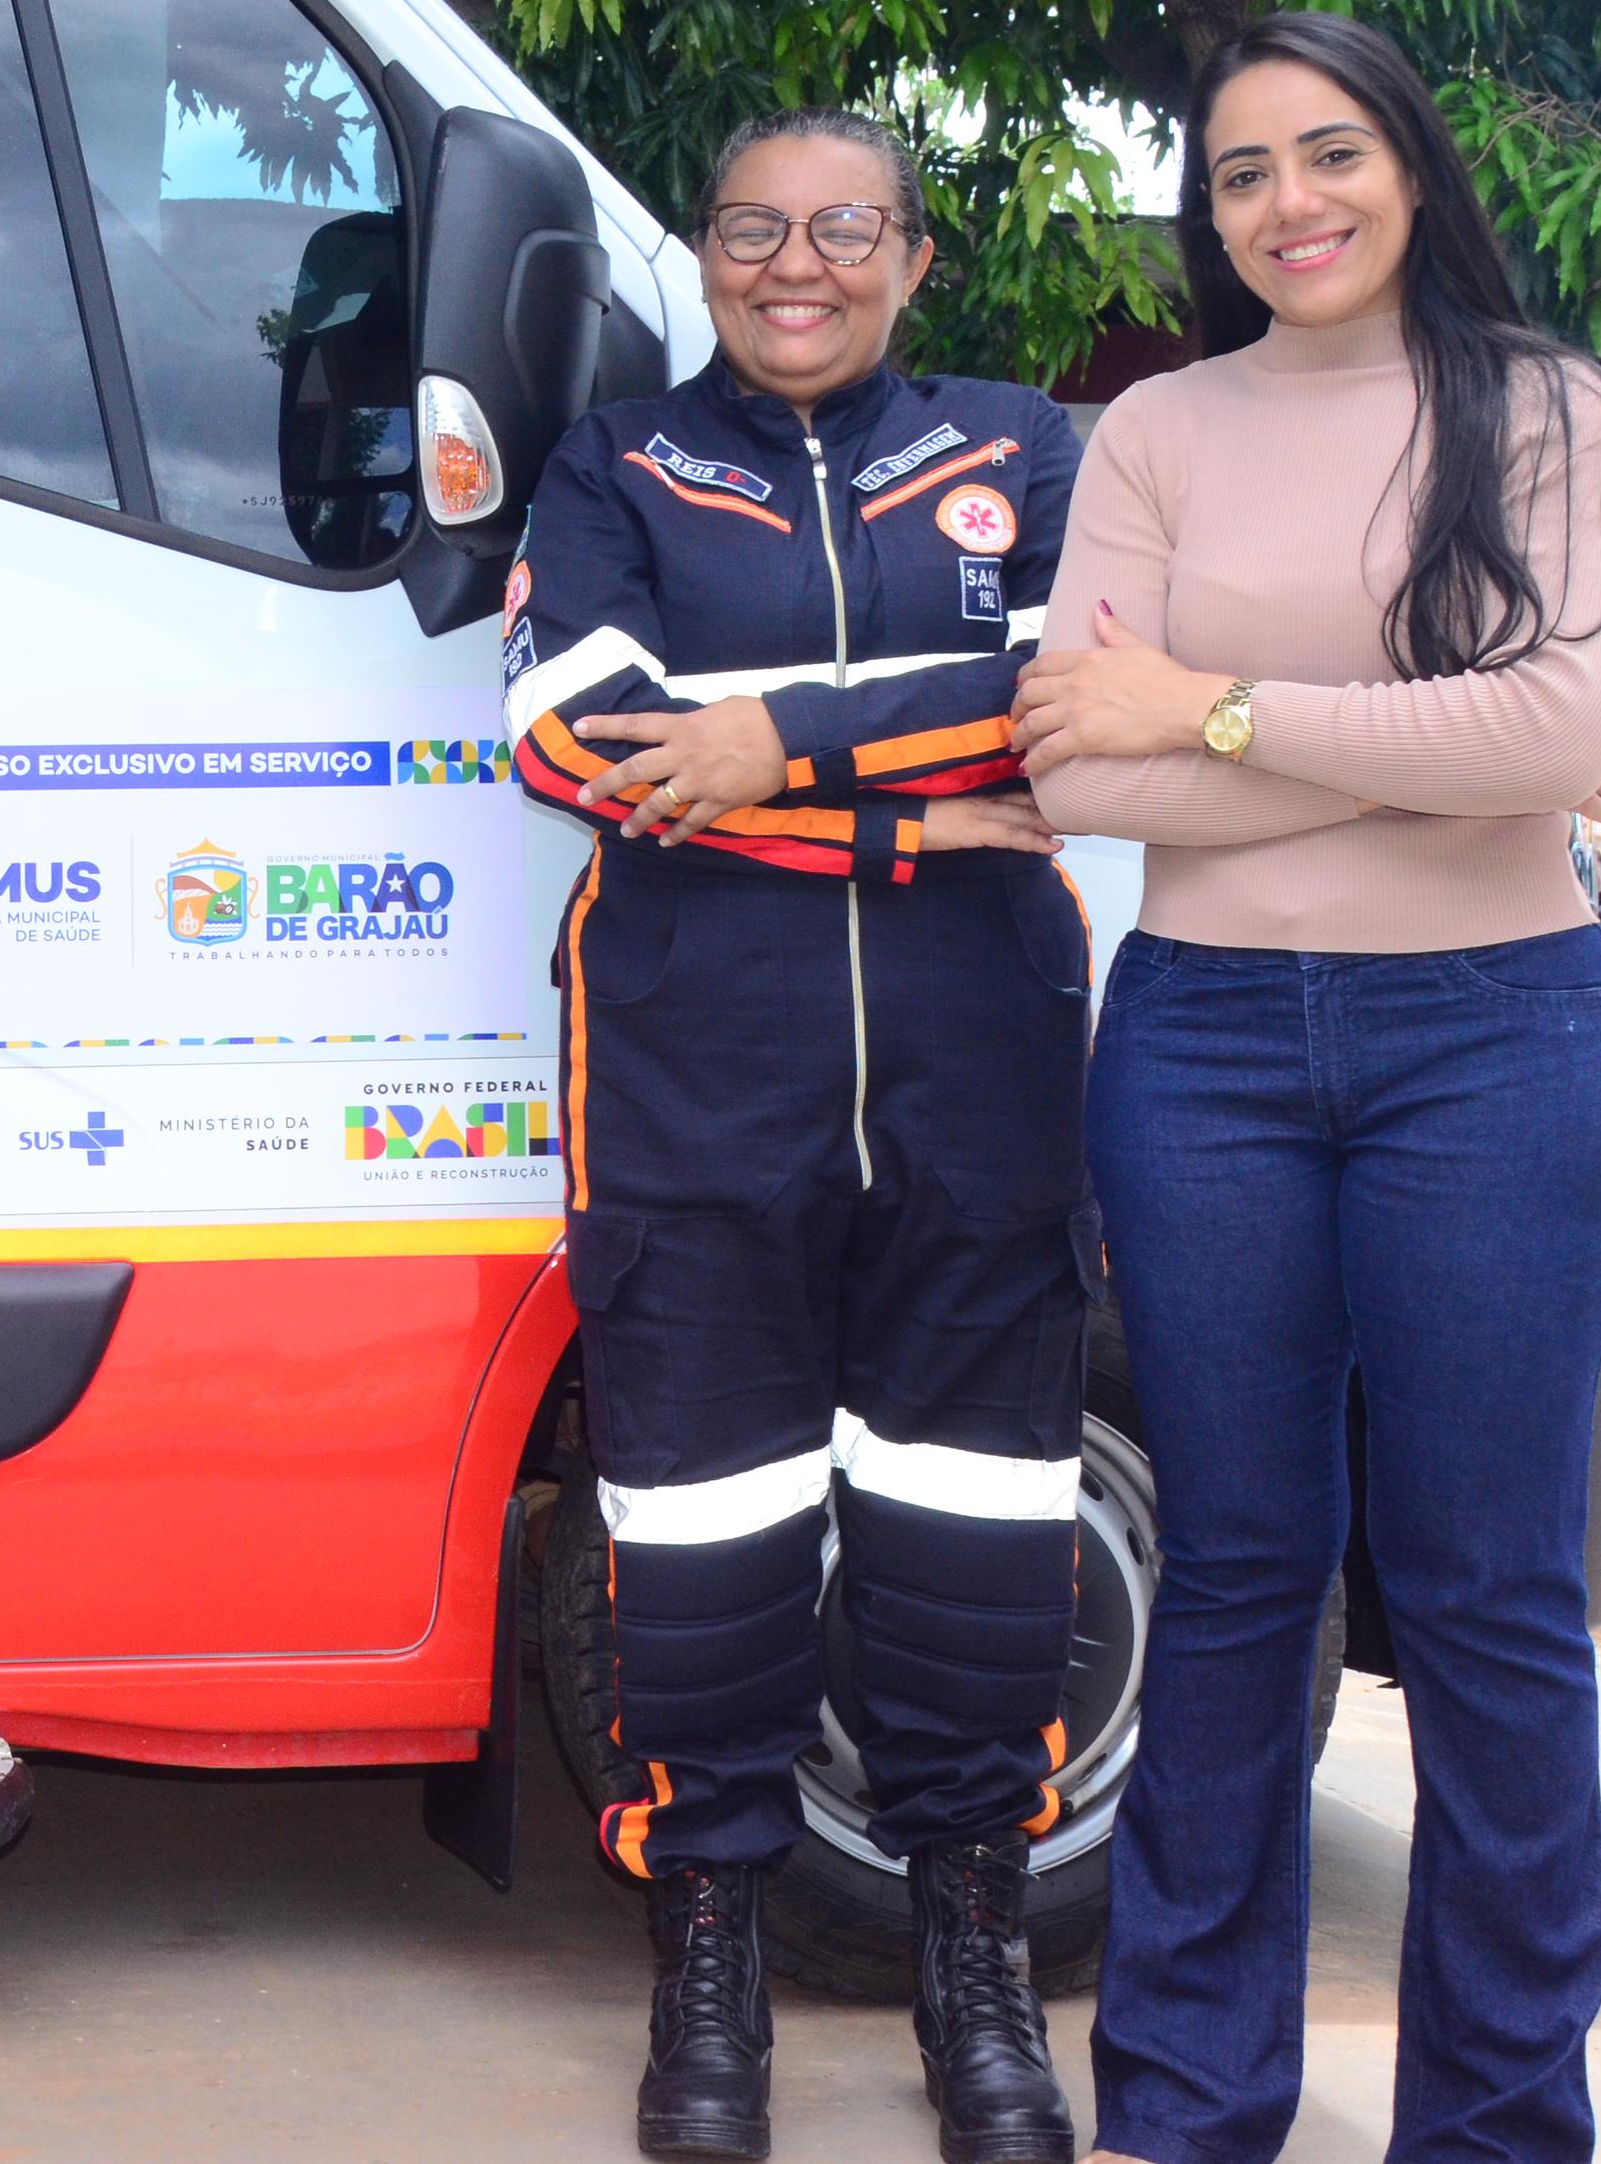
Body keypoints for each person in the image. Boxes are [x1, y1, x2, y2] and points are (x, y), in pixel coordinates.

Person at [1017, 11, 1601, 2164]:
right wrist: (1373, 741)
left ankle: (1496, 2126)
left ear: (1410, 165)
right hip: (1199, 1056)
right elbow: (1070, 759)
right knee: (1239, 1576)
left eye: (1331, 152)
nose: (1291, 204)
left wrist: (1211, 714)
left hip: (1498, 1037)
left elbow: (1553, 745)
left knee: (1483, 1594)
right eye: (1245, 172)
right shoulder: (1161, 430)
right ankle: (1182, 2112)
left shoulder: (1541, 407)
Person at [508, 108, 1090, 2164]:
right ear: (704, 255)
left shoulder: (1027, 452)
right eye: (753, 227)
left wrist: (765, 737)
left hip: (979, 1077)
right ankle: (709, 1954)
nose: (795, 263)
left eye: (843, 227)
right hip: (689, 1070)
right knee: (694, 1531)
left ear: (914, 259)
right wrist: (896, 814)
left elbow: (1067, 695)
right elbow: (571, 733)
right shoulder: (619, 464)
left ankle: (972, 1956)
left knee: (973, 1531)